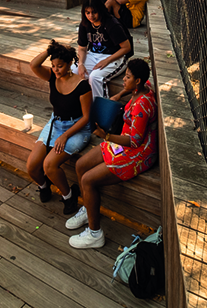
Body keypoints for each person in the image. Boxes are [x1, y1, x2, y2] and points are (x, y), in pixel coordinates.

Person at [66, 58, 157, 249]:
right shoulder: (142, 86)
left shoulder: (142, 106)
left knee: (87, 180)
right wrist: (120, 94)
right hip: (122, 141)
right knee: (80, 165)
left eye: (127, 77)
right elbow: (137, 83)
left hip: (136, 153)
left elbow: (134, 141)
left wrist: (105, 135)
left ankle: (95, 233)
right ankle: (88, 209)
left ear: (138, 81)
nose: (124, 79)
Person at [26, 41, 93, 215]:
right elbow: (33, 65)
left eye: (60, 66)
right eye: (53, 66)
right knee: (32, 166)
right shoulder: (51, 77)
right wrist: (51, 49)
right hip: (55, 123)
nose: (56, 70)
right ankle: (44, 185)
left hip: (77, 128)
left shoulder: (82, 86)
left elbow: (86, 118)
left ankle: (69, 196)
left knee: (49, 166)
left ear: (70, 63)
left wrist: (64, 136)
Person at [76, 0, 132, 100]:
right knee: (74, 71)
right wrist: (81, 64)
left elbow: (126, 47)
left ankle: (99, 109)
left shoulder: (112, 23)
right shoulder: (84, 24)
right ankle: (81, 106)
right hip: (93, 55)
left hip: (114, 56)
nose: (91, 16)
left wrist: (107, 60)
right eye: (87, 12)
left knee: (95, 77)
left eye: (94, 12)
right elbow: (82, 48)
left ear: (100, 10)